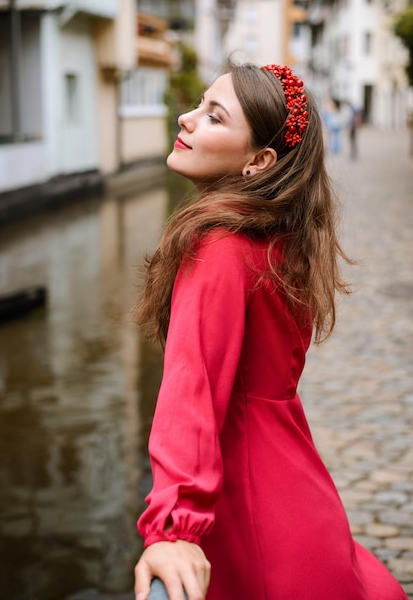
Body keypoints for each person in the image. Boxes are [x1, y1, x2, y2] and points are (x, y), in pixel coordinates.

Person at [133, 62, 408, 600]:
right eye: (199, 105)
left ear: (259, 161)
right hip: (296, 488)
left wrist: (173, 529)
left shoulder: (217, 248)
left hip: (247, 506)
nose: (186, 119)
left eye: (213, 117)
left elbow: (192, 393)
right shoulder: (279, 241)